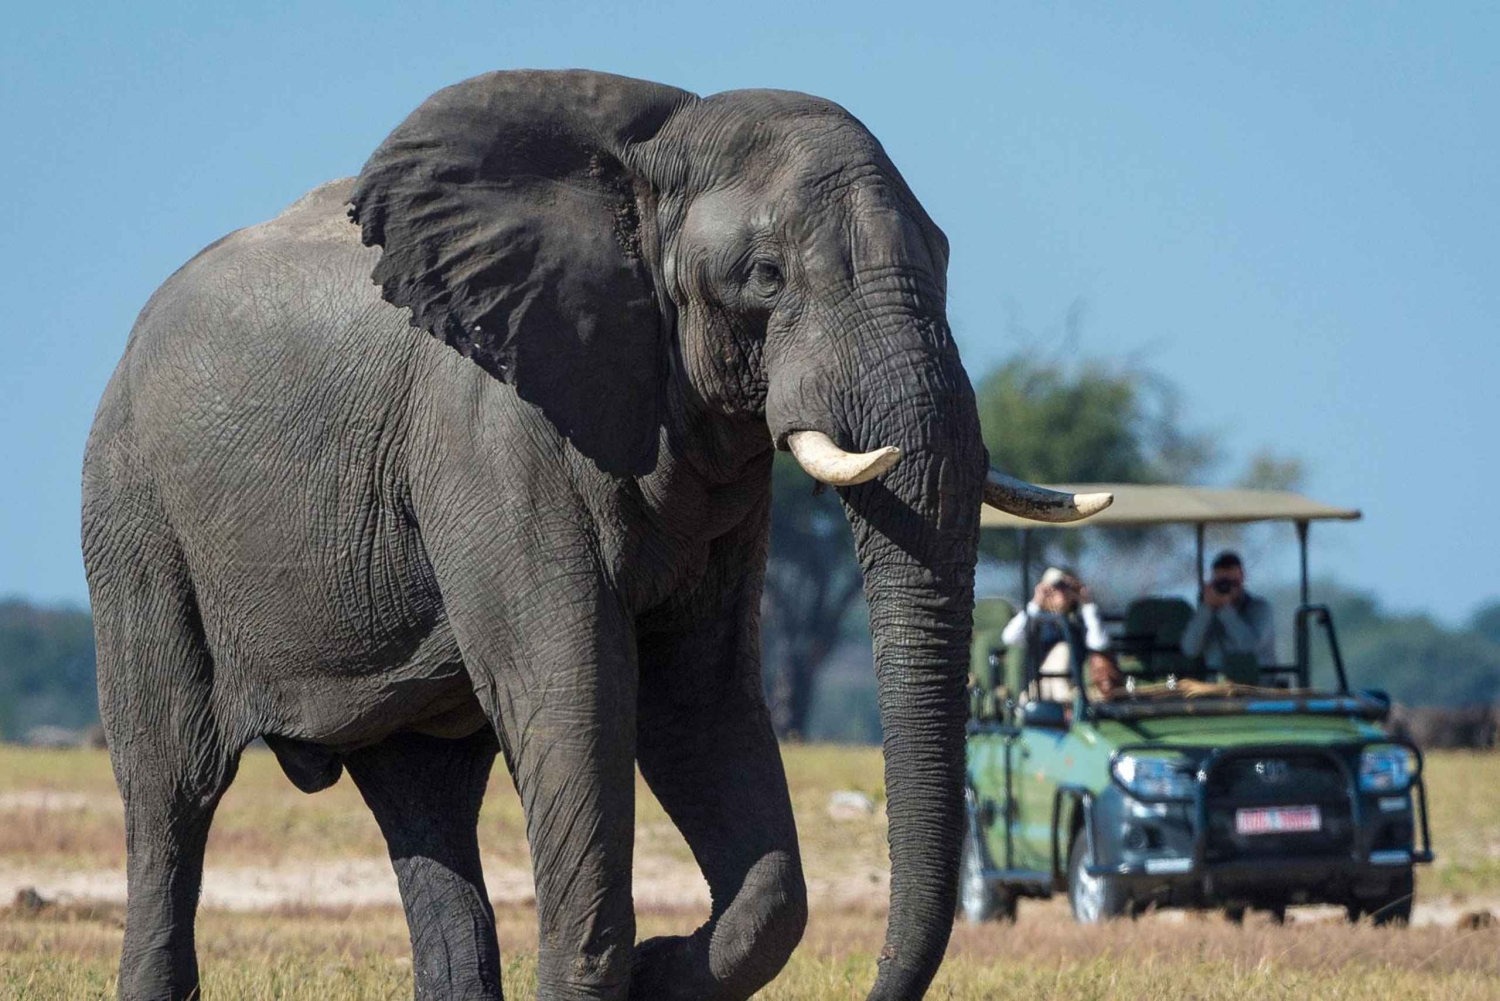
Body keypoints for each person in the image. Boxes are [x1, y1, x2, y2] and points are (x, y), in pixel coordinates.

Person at [1002, 567, 1111, 701]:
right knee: (1062, 650)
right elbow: (1009, 637)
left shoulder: (1081, 620)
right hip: (1041, 690)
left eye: (1066, 587)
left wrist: (1087, 604)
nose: (1060, 592)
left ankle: (1071, 702)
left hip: (1077, 685)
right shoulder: (1037, 621)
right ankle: (1066, 701)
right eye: (1054, 588)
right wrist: (1036, 602)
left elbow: (1099, 645)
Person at [1181, 550, 1276, 668]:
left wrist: (1225, 611)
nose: (1228, 588)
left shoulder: (1260, 608)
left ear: (1242, 578)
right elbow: (1190, 649)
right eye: (1221, 583)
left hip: (1253, 682)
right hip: (1217, 683)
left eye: (1233, 583)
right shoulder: (1208, 613)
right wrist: (1206, 609)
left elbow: (1250, 647)